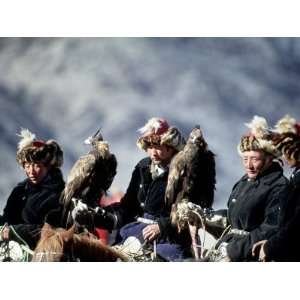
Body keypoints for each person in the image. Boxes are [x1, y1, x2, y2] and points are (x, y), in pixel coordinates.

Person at [73, 117, 196, 261]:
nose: (153, 152)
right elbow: (128, 207)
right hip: (135, 233)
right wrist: (96, 216)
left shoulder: (184, 172)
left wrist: (162, 227)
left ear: (170, 147)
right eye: (149, 147)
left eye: (158, 146)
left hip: (169, 240)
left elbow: (192, 210)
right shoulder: (142, 167)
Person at [206, 116, 289, 262]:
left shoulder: (279, 187)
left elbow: (270, 228)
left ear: (270, 157)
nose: (248, 165)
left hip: (250, 256)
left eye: (255, 159)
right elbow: (238, 218)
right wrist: (207, 217)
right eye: (245, 159)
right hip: (227, 247)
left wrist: (233, 252)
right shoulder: (245, 181)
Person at [0, 129, 65, 250]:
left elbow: (50, 231)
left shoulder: (59, 194)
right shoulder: (20, 191)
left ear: (48, 166)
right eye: (27, 165)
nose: (31, 171)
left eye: (37, 165)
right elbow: (7, 219)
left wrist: (14, 231)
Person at [252, 115, 300, 261]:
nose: (284, 156)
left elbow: (297, 225)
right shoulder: (295, 176)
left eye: (286, 149)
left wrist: (271, 246)